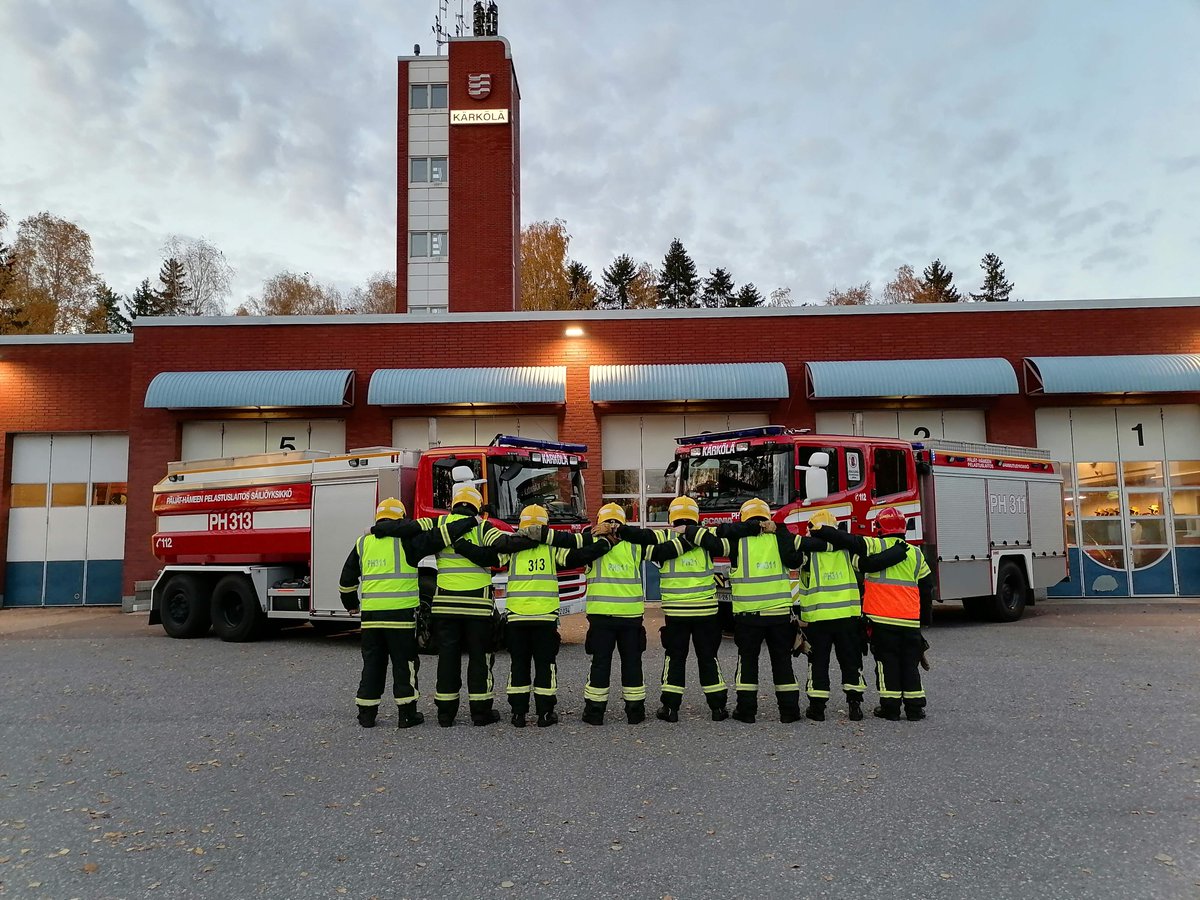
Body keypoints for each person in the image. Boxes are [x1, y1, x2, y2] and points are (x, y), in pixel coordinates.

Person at [338, 497, 479, 729]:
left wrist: (350, 603)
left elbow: (346, 580)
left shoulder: (364, 543)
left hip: (372, 619)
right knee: (405, 665)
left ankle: (366, 715)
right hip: (401, 618)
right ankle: (407, 715)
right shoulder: (408, 541)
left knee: (372, 664)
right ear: (401, 519)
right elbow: (442, 535)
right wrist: (469, 522)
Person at [684, 498, 825, 724]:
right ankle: (789, 712)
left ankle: (746, 711)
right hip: (779, 614)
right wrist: (780, 529)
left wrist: (690, 529)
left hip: (748, 616)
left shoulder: (737, 541)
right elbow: (794, 560)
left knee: (747, 663)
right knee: (782, 663)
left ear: (744, 518)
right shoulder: (779, 538)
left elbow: (717, 535)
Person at [449, 503, 568, 728]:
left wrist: (462, 546)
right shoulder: (552, 548)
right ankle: (545, 714)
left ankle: (518, 714)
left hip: (517, 618)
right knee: (546, 666)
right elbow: (576, 556)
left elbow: (486, 558)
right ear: (546, 526)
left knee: (518, 665)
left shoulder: (511, 549)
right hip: (545, 618)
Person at [810, 506, 934, 722]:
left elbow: (847, 540)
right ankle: (915, 709)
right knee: (910, 664)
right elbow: (926, 588)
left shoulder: (874, 545)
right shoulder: (915, 553)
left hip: (882, 619)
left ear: (878, 528)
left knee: (887, 665)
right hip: (910, 621)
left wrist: (820, 530)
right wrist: (924, 621)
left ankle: (890, 708)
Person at [572, 503, 683, 726]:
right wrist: (689, 538)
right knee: (632, 663)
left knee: (600, 664)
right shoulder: (635, 545)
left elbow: (573, 553)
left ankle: (594, 713)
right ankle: (635, 712)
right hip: (630, 617)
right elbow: (664, 549)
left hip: (601, 616)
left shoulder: (592, 543)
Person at [408, 482, 506, 727]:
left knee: (447, 659)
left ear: (452, 506)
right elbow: (501, 554)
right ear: (477, 507)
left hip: (445, 607)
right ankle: (480, 713)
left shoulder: (441, 525)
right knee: (480, 659)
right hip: (478, 608)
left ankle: (445, 714)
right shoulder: (484, 527)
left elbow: (415, 545)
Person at [796, 509, 906, 723]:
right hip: (848, 617)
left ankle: (817, 708)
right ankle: (855, 706)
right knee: (851, 662)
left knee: (818, 663)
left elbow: (792, 558)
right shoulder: (848, 551)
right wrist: (898, 552)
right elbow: (868, 565)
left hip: (818, 619)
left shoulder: (807, 553)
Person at [629, 496, 729, 723]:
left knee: (675, 659)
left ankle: (670, 709)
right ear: (696, 516)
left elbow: (642, 537)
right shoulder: (706, 536)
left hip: (676, 612)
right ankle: (718, 709)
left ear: (671, 517)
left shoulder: (665, 536)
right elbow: (723, 546)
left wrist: (618, 528)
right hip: (705, 610)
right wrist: (694, 533)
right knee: (708, 658)